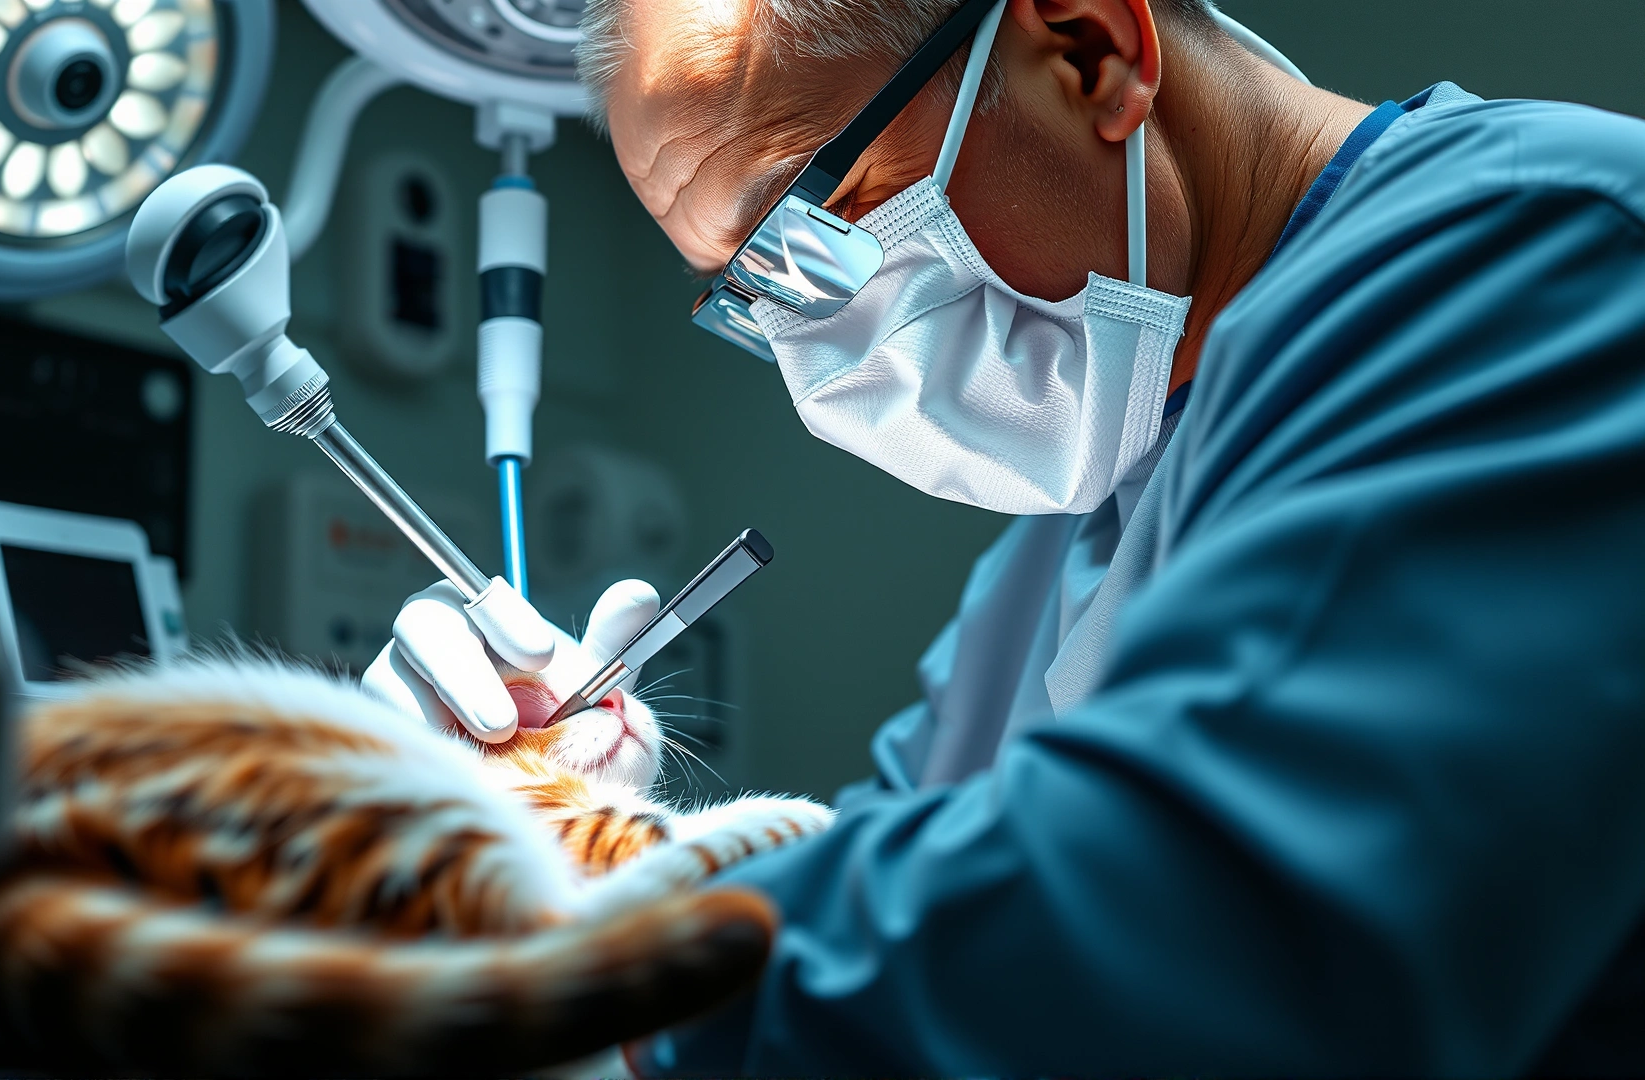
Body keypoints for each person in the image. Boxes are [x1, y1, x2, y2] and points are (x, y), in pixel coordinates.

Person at [374, 0, 1645, 1073]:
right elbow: (913, 898)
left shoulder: (1541, 264)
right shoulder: (1053, 562)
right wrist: (565, 824)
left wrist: (590, 935)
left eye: (808, 234)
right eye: (754, 296)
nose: (816, 366)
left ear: (1091, 51)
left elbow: (1185, 948)